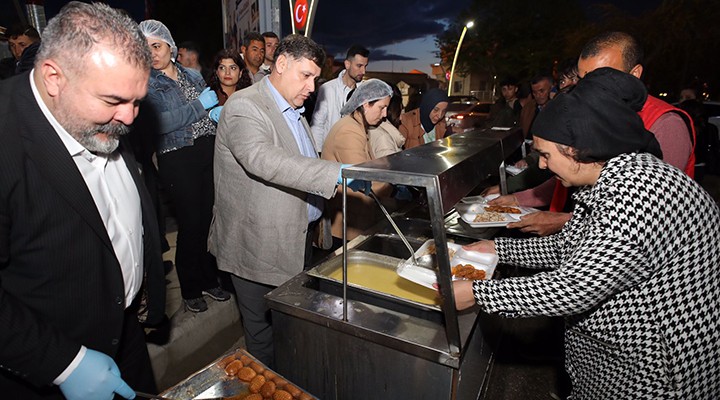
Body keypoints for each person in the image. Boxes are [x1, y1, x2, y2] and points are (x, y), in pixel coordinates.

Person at [453, 67, 720, 398]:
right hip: (613, 357)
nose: (543, 166)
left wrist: (479, 294)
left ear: (577, 148)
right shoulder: (606, 180)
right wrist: (498, 250)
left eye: (547, 155)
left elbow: (576, 286)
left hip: (654, 367)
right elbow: (569, 246)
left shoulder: (639, 192)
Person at [0, 2, 166, 399]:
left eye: (137, 101)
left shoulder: (104, 117)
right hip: (45, 364)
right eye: (113, 101)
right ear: (54, 77)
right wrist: (62, 362)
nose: (129, 118)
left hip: (126, 336)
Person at [210, 34, 367, 367]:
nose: (312, 87)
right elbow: (263, 159)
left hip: (296, 238)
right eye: (305, 76)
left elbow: (303, 160)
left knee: (287, 330)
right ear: (281, 65)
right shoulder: (244, 106)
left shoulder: (294, 109)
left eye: (316, 78)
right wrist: (337, 173)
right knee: (263, 336)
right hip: (257, 244)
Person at [139, 19, 231, 313]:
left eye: (157, 46)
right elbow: (161, 124)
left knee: (208, 219)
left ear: (171, 47)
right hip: (177, 156)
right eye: (146, 48)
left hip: (207, 150)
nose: (152, 53)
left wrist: (216, 112)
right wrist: (201, 107)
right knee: (190, 223)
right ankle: (191, 287)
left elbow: (211, 106)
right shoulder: (147, 85)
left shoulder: (192, 75)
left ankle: (209, 278)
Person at [321, 79, 398, 242]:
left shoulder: (358, 126)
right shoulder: (349, 131)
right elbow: (363, 181)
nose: (385, 114)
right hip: (345, 225)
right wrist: (395, 185)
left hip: (357, 217)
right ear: (365, 104)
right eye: (381, 108)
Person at [310, 44, 370, 151]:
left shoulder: (365, 91)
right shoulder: (328, 89)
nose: (363, 71)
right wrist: (317, 153)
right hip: (330, 153)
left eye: (365, 66)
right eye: (359, 66)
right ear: (347, 64)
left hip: (355, 150)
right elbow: (318, 124)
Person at [368, 82, 405, 158]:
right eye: (399, 112)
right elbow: (389, 168)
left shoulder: (380, 132)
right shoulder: (383, 139)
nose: (401, 118)